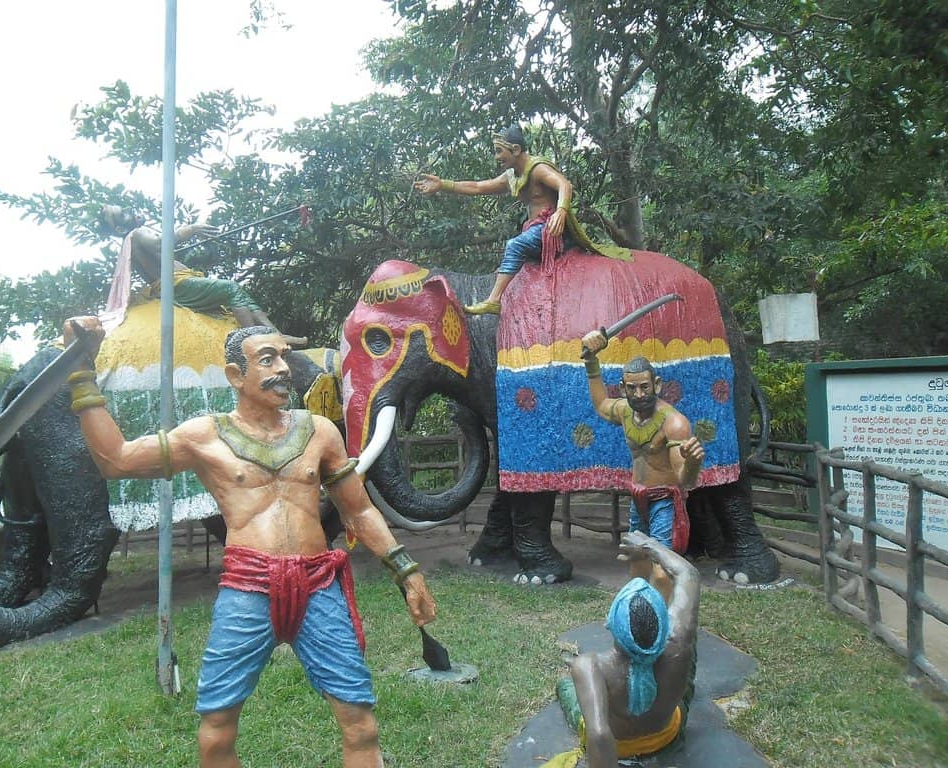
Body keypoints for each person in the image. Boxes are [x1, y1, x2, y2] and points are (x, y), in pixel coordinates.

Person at [62, 317, 437, 768]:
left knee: (360, 722)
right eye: (267, 358)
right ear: (236, 376)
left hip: (318, 585)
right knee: (216, 732)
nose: (283, 368)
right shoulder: (204, 436)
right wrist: (81, 370)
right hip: (248, 587)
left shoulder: (319, 431)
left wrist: (406, 571)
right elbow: (116, 460)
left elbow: (357, 510)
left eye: (284, 357)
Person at [565, 530, 700, 766]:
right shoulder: (677, 638)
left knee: (567, 687)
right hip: (667, 735)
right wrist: (650, 545)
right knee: (688, 640)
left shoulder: (589, 666)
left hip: (621, 748)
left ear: (611, 625)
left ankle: (563, 685)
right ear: (662, 622)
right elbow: (688, 573)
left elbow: (599, 735)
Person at [414, 124, 574, 315]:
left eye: (499, 151)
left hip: (550, 229)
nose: (496, 157)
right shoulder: (511, 177)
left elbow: (564, 184)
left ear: (515, 150)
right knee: (516, 252)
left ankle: (494, 299)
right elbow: (478, 187)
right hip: (533, 229)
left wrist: (561, 211)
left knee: (514, 245)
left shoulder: (537, 168)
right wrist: (443, 185)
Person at [579, 341, 704, 554]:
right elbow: (601, 404)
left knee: (661, 556)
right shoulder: (624, 411)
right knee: (636, 554)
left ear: (656, 385)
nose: (638, 394)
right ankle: (640, 587)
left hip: (664, 499)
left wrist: (692, 463)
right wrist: (591, 360)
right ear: (622, 388)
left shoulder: (674, 423)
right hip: (638, 495)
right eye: (631, 388)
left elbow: (687, 481)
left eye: (644, 387)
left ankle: (662, 587)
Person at [100, 204, 276, 329]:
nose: (130, 209)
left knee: (237, 295)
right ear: (120, 229)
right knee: (230, 288)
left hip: (174, 286)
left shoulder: (129, 245)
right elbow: (158, 244)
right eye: (123, 214)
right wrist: (190, 230)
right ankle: (255, 338)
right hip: (177, 286)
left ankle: (274, 332)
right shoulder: (137, 233)